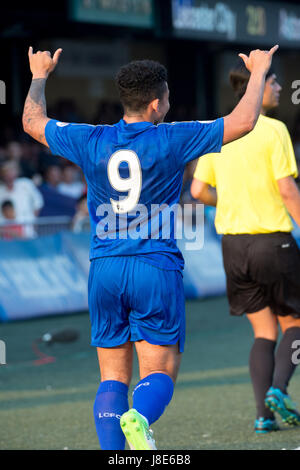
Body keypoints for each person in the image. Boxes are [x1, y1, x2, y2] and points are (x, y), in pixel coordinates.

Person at [23, 44, 277, 450]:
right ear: (157, 104)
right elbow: (245, 120)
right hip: (154, 267)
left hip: (104, 268)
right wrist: (260, 69)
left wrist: (40, 74)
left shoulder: (90, 139)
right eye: (168, 99)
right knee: (159, 372)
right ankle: (139, 419)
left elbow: (33, 122)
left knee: (111, 378)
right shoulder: (174, 138)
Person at [191, 61, 300, 434]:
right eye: (275, 81)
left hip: (234, 249)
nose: (281, 88)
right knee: (295, 324)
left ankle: (262, 416)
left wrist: (231, 201)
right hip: (274, 243)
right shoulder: (274, 130)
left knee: (263, 332)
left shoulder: (217, 132)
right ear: (257, 87)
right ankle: (278, 389)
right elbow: (288, 191)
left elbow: (197, 191)